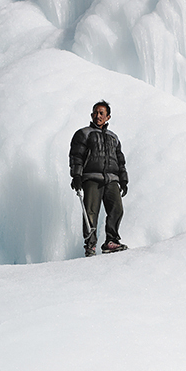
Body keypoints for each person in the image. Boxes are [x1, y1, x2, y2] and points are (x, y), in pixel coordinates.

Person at [69, 100, 128, 256]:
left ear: (108, 117)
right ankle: (90, 245)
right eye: (95, 112)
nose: (98, 115)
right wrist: (76, 175)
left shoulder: (113, 137)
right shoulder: (83, 133)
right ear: (91, 115)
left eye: (102, 113)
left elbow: (120, 160)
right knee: (91, 212)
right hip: (91, 178)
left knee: (117, 209)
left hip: (112, 179)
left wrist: (124, 180)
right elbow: (76, 156)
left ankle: (111, 241)